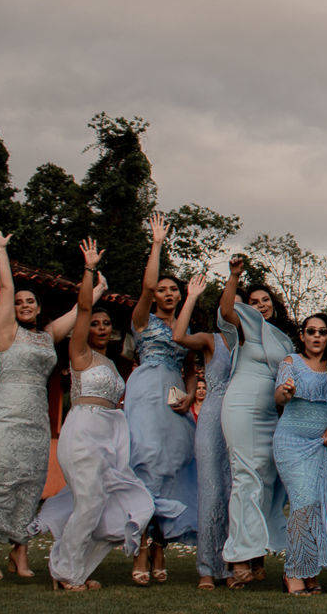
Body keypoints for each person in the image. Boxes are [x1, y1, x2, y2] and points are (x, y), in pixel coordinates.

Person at [0, 230, 92, 580]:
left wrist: (93, 276)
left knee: (30, 483)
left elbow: (83, 307)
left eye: (29, 302)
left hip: (37, 419)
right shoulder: (6, 332)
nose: (23, 306)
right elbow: (5, 289)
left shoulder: (47, 336)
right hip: (7, 414)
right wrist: (1, 251)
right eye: (19, 303)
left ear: (38, 307)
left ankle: (20, 553)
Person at [36, 239, 157, 591]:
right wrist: (90, 272)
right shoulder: (80, 354)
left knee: (106, 507)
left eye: (107, 325)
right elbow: (84, 307)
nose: (101, 327)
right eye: (96, 324)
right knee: (89, 503)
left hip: (109, 436)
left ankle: (74, 571)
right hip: (83, 431)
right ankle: (65, 572)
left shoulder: (113, 364)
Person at [124, 213, 198, 583]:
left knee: (171, 466)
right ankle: (139, 545)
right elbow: (146, 284)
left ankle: (159, 546)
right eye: (162, 290)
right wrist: (156, 243)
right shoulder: (142, 319)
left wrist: (188, 396)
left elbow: (190, 368)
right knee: (145, 460)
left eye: (174, 290)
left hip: (174, 400)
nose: (167, 294)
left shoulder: (184, 327)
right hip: (146, 391)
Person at [219, 252, 295, 586]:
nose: (260, 305)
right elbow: (225, 311)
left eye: (265, 300)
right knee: (244, 478)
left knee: (267, 483)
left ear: (273, 304)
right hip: (241, 405)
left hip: (272, 412)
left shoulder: (284, 337)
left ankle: (257, 553)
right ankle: (238, 560)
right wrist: (234, 276)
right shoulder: (243, 331)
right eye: (254, 301)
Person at [274, 312, 327, 593]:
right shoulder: (291, 362)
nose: (317, 336)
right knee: (303, 504)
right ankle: (293, 572)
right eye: (311, 331)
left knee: (319, 506)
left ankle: (310, 570)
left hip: (324, 445)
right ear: (302, 335)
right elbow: (278, 396)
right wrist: (286, 392)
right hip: (292, 440)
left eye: (322, 332)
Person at [174, 273, 235, 589]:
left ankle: (232, 565)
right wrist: (191, 297)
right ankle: (208, 569)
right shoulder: (212, 340)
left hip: (241, 422)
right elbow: (179, 335)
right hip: (212, 418)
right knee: (211, 492)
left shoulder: (252, 346)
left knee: (234, 494)